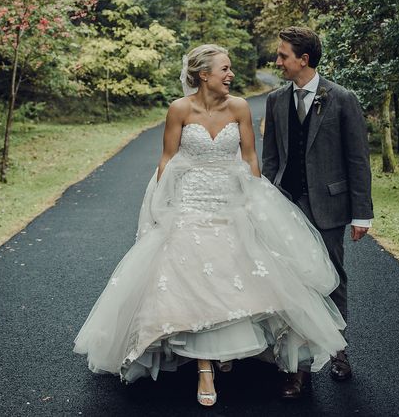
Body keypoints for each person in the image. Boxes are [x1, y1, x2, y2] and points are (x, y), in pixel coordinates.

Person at [74, 44, 347, 407]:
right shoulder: (179, 110)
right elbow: (168, 160)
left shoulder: (239, 108)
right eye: (225, 69)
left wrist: (256, 203)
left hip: (232, 199)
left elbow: (250, 158)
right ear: (204, 75)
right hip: (190, 201)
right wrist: (160, 205)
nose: (230, 75)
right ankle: (204, 367)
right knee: (192, 276)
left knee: (236, 273)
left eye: (230, 69)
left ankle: (229, 347)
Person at [262, 26, 373, 397]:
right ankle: (297, 368)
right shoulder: (276, 100)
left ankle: (339, 351)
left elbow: (358, 159)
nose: (277, 61)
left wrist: (362, 213)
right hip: (284, 205)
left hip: (328, 205)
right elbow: (271, 158)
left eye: (283, 56)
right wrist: (265, 199)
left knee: (330, 279)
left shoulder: (342, 98)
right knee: (289, 283)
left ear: (303, 60)